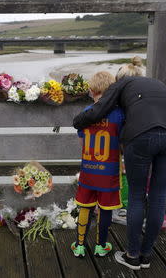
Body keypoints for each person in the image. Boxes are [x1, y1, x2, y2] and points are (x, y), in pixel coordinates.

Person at [73, 57, 166, 270]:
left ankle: (132, 255)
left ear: (119, 80)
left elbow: (98, 109)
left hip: (142, 136)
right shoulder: (156, 83)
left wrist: (77, 121)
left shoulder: (122, 84)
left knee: (136, 195)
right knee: (158, 195)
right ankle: (147, 254)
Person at [71, 71, 124, 258]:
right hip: (108, 172)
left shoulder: (86, 113)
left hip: (88, 169)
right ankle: (101, 246)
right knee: (105, 208)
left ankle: (79, 245)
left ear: (92, 91)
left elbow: (82, 143)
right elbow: (123, 143)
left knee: (85, 205)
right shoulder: (119, 114)